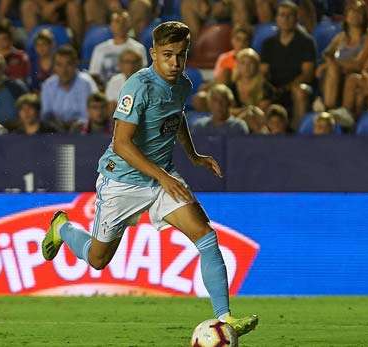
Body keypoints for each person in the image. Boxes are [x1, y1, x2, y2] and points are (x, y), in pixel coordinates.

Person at [40, 21, 258, 337]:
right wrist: (163, 176)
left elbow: (175, 115)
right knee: (97, 259)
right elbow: (121, 144)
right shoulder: (138, 87)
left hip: (160, 180)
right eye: (167, 55)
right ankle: (63, 228)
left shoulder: (182, 84)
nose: (174, 62)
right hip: (122, 182)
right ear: (152, 53)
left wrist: (193, 155)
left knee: (206, 237)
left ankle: (225, 319)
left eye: (181, 55)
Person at [260, 0, 316, 129]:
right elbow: (263, 72)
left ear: (296, 18)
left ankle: (297, 132)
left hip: (296, 87)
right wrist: (269, 88)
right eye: (282, 15)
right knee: (261, 101)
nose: (285, 19)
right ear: (276, 18)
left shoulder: (306, 42)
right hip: (274, 89)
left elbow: (307, 74)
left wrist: (287, 88)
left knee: (300, 91)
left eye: (289, 15)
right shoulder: (268, 44)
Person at [40, 45, 98, 130]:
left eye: (68, 64)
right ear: (54, 66)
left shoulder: (86, 83)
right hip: (55, 132)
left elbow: (89, 117)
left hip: (83, 134)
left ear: (76, 64)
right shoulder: (48, 85)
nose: (64, 70)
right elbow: (46, 115)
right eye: (59, 65)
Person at [88, 10, 148, 82]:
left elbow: (143, 74)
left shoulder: (139, 48)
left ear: (130, 24)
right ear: (110, 25)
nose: (121, 25)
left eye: (124, 22)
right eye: (117, 21)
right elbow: (94, 75)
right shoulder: (100, 48)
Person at [105, 49, 144, 116]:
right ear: (120, 64)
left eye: (134, 62)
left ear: (140, 64)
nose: (130, 65)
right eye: (127, 62)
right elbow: (110, 107)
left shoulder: (146, 81)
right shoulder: (114, 81)